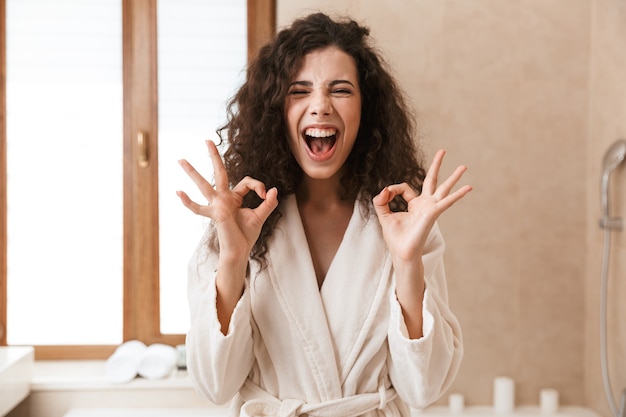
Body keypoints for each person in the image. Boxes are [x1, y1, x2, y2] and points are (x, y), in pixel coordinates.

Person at [177, 12, 472, 417]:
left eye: (341, 90)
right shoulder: (236, 224)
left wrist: (406, 263)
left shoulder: (406, 226)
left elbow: (424, 388)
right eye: (299, 91)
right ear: (277, 109)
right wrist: (232, 260)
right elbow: (215, 385)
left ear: (365, 110)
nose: (320, 106)